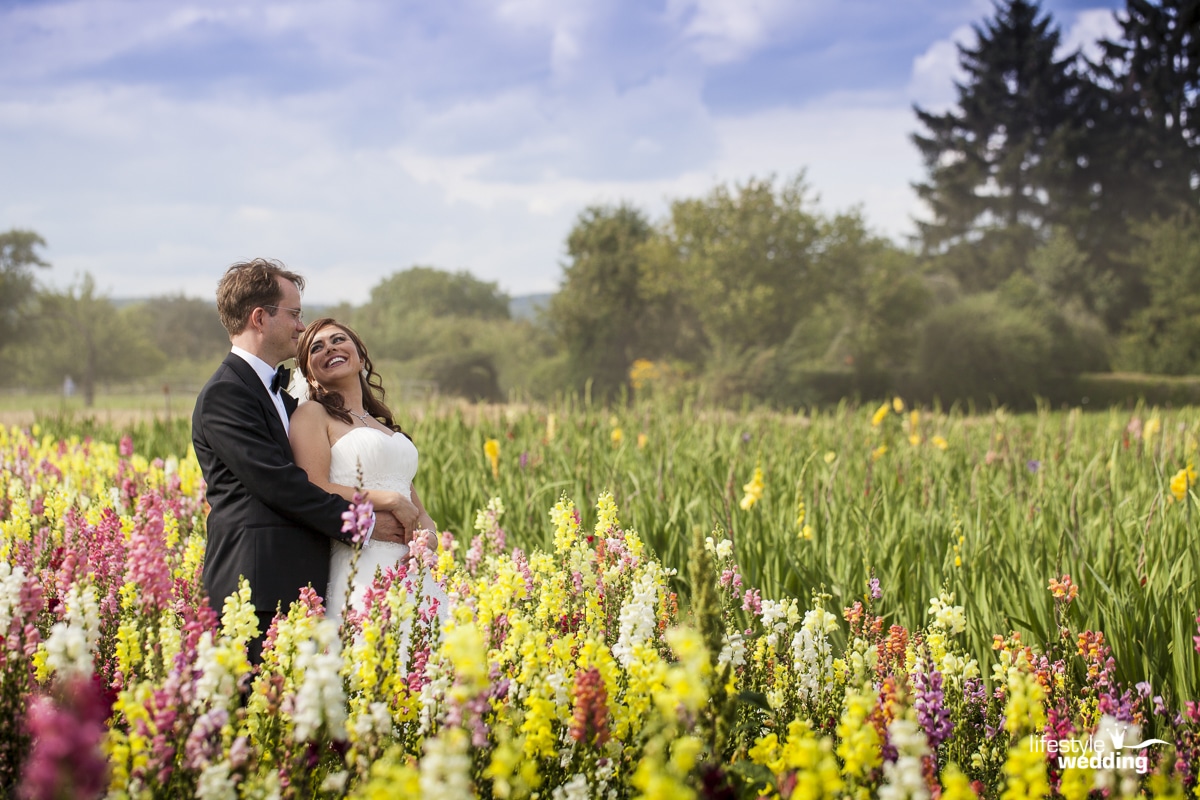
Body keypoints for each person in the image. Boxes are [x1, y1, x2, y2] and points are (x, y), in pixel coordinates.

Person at [191, 259, 403, 660]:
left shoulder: (284, 397)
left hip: (302, 586)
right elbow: (281, 485)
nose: (302, 327)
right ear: (260, 318)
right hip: (255, 590)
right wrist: (367, 522)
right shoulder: (226, 394)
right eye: (294, 314)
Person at [288, 317, 448, 623]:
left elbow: (416, 505)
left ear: (360, 356)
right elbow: (313, 486)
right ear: (309, 374)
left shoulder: (381, 425)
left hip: (411, 570)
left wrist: (428, 537)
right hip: (360, 564)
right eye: (316, 348)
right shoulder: (312, 414)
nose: (329, 348)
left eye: (338, 340)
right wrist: (387, 500)